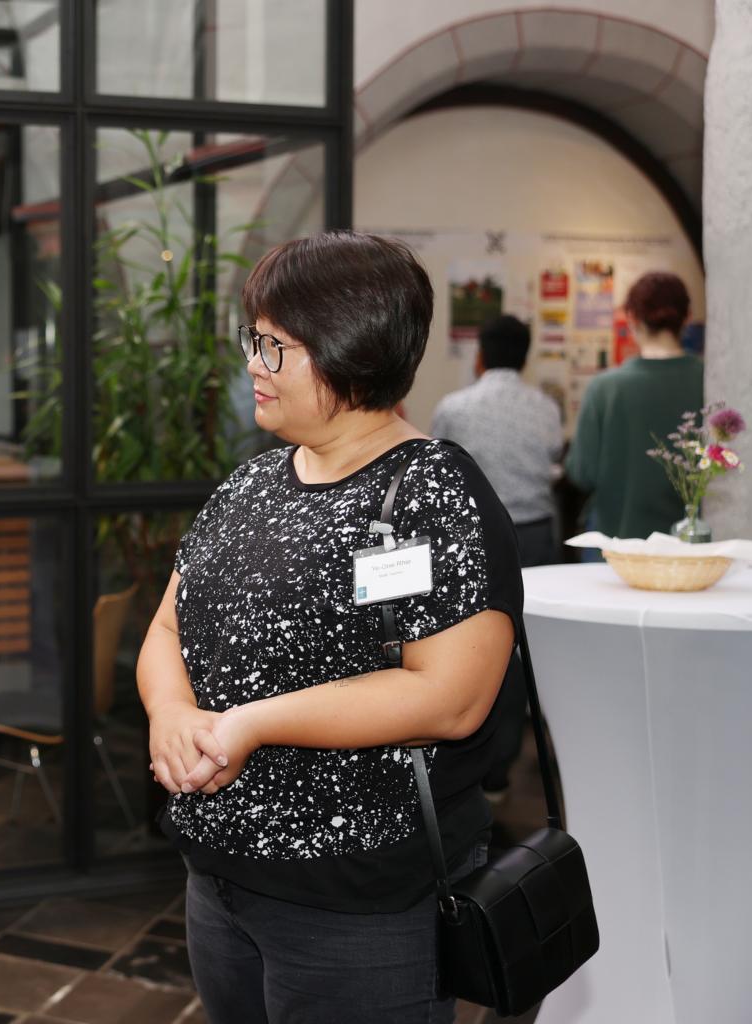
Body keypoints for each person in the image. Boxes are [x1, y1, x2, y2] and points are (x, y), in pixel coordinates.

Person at [137, 231, 524, 1024]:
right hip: (221, 879)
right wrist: (171, 714)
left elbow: (451, 697)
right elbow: (166, 631)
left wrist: (251, 724)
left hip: (358, 899)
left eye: (275, 346)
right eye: (255, 340)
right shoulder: (250, 484)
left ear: (348, 350)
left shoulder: (429, 491)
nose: (253, 362)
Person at [565, 271, 703, 541]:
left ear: (631, 319)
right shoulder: (710, 383)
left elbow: (581, 472)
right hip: (689, 548)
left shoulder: (604, 388)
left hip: (614, 545)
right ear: (687, 317)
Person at [431, 314, 563, 567]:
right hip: (535, 531)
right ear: (525, 359)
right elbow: (555, 455)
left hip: (475, 530)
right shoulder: (547, 408)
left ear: (480, 356)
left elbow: (438, 468)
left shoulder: (451, 407)